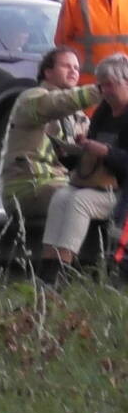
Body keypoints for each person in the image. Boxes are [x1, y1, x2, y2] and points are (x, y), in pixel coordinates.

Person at [40, 53, 128, 285]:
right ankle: (46, 272)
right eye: (101, 85)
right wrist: (70, 154)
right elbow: (90, 159)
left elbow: (114, 158)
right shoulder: (104, 111)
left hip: (121, 193)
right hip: (96, 183)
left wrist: (106, 152)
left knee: (79, 202)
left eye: (111, 85)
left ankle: (59, 276)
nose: (105, 91)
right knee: (62, 196)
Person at [0, 47, 99, 219]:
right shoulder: (32, 97)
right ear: (48, 72)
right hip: (29, 188)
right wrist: (103, 89)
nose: (73, 71)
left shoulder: (78, 115)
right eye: (66, 66)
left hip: (58, 185)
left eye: (76, 68)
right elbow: (55, 104)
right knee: (88, 202)